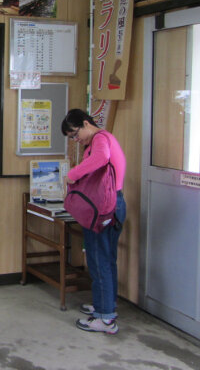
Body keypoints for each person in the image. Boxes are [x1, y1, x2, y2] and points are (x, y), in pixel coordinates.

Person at [61, 108, 126, 335]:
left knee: (101, 260)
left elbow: (101, 159)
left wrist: (73, 175)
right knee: (103, 259)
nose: (76, 140)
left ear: (86, 123)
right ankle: (103, 305)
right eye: (72, 137)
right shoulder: (98, 140)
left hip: (107, 208)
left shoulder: (101, 139)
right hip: (105, 206)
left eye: (75, 134)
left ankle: (105, 317)